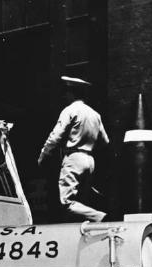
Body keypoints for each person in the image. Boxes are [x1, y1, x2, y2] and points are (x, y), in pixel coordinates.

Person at [38, 75, 110, 222]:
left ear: (72, 93)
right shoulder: (95, 114)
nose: (64, 95)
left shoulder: (70, 110)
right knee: (81, 204)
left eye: (66, 92)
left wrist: (43, 155)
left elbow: (55, 136)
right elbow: (105, 141)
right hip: (90, 160)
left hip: (74, 158)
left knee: (66, 202)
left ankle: (101, 217)